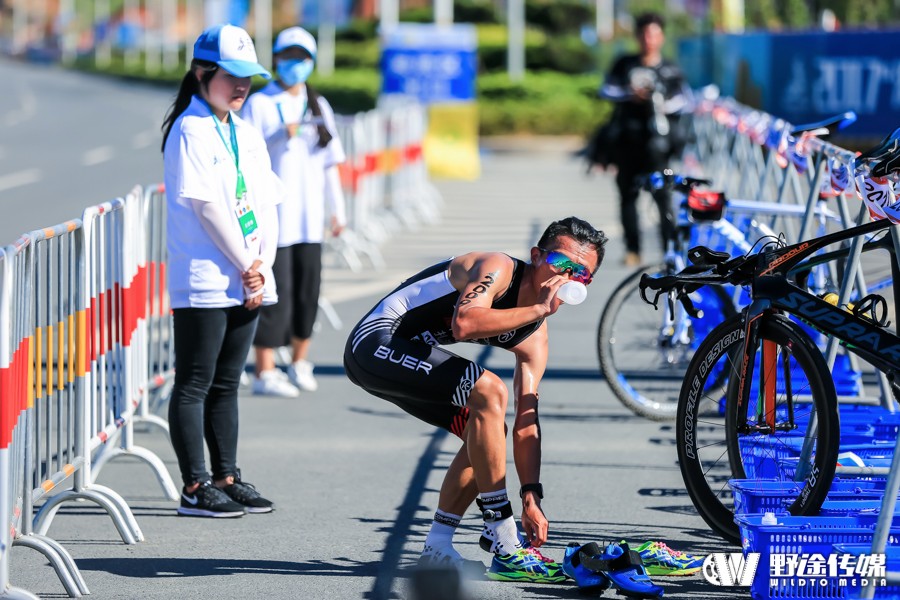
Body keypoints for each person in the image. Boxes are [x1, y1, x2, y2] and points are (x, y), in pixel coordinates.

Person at [343, 217, 607, 581]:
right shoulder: (497, 268)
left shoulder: (535, 337)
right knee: (490, 389)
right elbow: (464, 323)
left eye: (581, 274)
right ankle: (503, 537)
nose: (566, 277)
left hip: (412, 359)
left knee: (485, 432)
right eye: (561, 264)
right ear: (535, 255)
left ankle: (437, 546)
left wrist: (532, 494)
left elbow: (527, 421)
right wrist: (538, 309)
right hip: (375, 344)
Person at [161, 24, 282, 518]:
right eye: (230, 76)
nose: (241, 86)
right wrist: (246, 264)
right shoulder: (190, 129)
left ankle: (226, 476)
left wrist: (262, 265)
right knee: (195, 381)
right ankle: (193, 487)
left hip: (249, 273)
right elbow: (207, 206)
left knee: (228, 382)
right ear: (201, 72)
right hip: (206, 276)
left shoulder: (244, 131)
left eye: (247, 77)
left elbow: (268, 201)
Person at [243, 26, 347, 397]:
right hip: (275, 220)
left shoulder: (319, 104)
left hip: (309, 220)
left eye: (302, 58)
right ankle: (264, 370)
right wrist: (278, 136)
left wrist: (339, 210)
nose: (295, 65)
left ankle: (300, 362)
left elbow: (330, 163)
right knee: (275, 293)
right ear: (276, 60)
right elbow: (247, 159)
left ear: (312, 62)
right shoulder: (260, 103)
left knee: (308, 292)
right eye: (288, 57)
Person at [599, 12, 690, 267]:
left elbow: (684, 99)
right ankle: (633, 250)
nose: (649, 39)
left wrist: (657, 98)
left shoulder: (670, 69)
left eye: (654, 33)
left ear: (661, 37)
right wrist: (630, 94)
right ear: (638, 36)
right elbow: (606, 89)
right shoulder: (625, 64)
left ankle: (668, 251)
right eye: (644, 34)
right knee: (628, 196)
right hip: (627, 141)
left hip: (659, 144)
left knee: (663, 197)